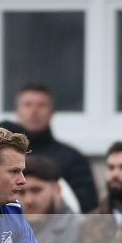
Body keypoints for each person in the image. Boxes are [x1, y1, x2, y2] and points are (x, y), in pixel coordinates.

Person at [14, 84, 98, 212]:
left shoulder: (73, 159)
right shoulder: (3, 157)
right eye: (28, 105)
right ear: (17, 112)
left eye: (41, 105)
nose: (34, 111)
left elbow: (86, 207)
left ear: (52, 112)